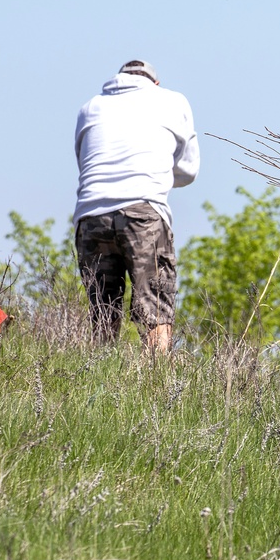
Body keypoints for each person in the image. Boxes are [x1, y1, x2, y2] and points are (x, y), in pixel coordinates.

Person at [73, 60, 199, 353]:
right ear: (154, 83)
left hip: (91, 215)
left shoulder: (90, 107)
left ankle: (97, 379)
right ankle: (155, 388)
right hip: (143, 214)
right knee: (156, 310)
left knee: (103, 315)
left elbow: (85, 163)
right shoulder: (172, 100)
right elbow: (189, 170)